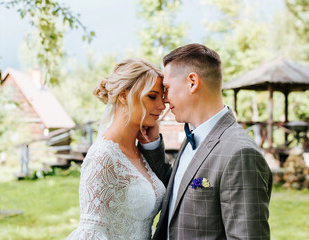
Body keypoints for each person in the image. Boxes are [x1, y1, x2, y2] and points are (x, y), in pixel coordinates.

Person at [139, 44, 273, 240]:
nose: (165, 99)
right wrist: (151, 145)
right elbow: (181, 191)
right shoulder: (193, 136)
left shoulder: (240, 154)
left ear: (192, 82)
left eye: (167, 88)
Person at [66, 58, 167, 240]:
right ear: (123, 95)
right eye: (152, 96)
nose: (162, 106)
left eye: (162, 98)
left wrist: (151, 145)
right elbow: (92, 233)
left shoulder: (140, 153)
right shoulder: (102, 156)